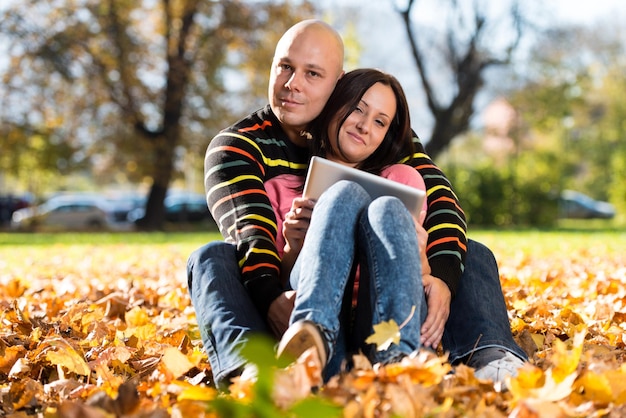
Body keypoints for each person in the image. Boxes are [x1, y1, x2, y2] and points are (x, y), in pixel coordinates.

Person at [187, 19, 527, 391]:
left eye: (312, 73)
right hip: (284, 294)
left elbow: (442, 200)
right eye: (284, 66)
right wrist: (272, 296)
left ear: (339, 85)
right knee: (211, 258)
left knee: (471, 253)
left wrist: (439, 275)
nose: (292, 84)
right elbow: (250, 235)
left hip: (372, 303)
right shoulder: (237, 146)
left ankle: (490, 355)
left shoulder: (384, 137)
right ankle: (250, 371)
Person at [269, 68, 430, 380]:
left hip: (378, 316)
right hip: (322, 327)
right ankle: (310, 338)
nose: (364, 126)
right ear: (335, 103)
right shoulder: (282, 188)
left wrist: (419, 254)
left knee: (384, 207)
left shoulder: (402, 179)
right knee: (343, 193)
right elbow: (278, 288)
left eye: (380, 122)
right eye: (358, 108)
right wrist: (293, 247)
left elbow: (420, 282)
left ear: (386, 135)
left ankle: (398, 362)